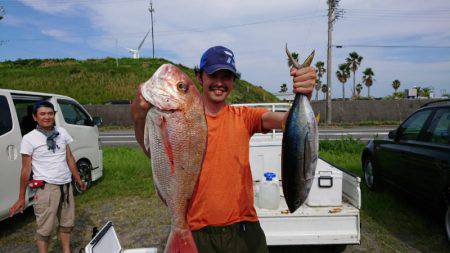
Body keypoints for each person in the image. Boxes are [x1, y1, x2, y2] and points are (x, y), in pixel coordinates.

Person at [131, 46, 316, 252]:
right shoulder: (177, 118)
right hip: (196, 230)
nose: (219, 83)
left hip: (244, 228)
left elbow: (287, 121)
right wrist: (139, 117)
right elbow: (151, 149)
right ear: (200, 77)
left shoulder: (244, 117)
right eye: (213, 75)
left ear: (233, 81)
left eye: (226, 76)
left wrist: (304, 95)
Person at [9, 101, 87, 253]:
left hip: (65, 185)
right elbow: (26, 169)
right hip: (46, 189)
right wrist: (21, 197)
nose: (47, 117)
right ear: (35, 117)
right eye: (42, 114)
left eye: (50, 113)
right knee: (45, 228)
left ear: (54, 115)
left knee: (66, 223)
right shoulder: (29, 138)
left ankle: (66, 251)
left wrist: (78, 179)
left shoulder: (62, 132)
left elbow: (69, 158)